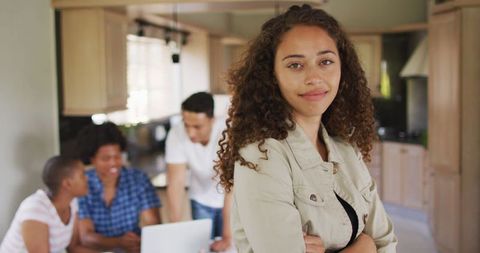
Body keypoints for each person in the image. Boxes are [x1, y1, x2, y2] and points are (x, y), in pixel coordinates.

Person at [214, 4, 397, 253]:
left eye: (326, 61)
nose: (314, 77)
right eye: (295, 65)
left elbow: (386, 241)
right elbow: (374, 243)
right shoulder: (262, 153)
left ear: (343, 68)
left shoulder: (345, 149)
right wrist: (364, 246)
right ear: (272, 75)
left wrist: (371, 243)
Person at [75, 122, 161, 253]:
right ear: (92, 159)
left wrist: (138, 243)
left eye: (117, 156)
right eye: (105, 158)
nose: (113, 163)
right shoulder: (82, 185)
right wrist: (119, 243)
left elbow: (153, 226)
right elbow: (86, 237)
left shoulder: (138, 180)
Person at [165, 92, 232, 252]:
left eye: (197, 127)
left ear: (212, 120)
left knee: (228, 247)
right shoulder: (176, 133)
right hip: (200, 199)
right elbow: (176, 182)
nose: (190, 133)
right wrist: (174, 229)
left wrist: (227, 235)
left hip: (230, 199)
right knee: (202, 248)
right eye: (186, 125)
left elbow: (232, 184)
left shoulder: (228, 132)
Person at [0, 155, 95, 253]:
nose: (87, 178)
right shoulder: (35, 209)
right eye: (82, 175)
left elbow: (73, 248)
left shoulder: (72, 202)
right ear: (67, 184)